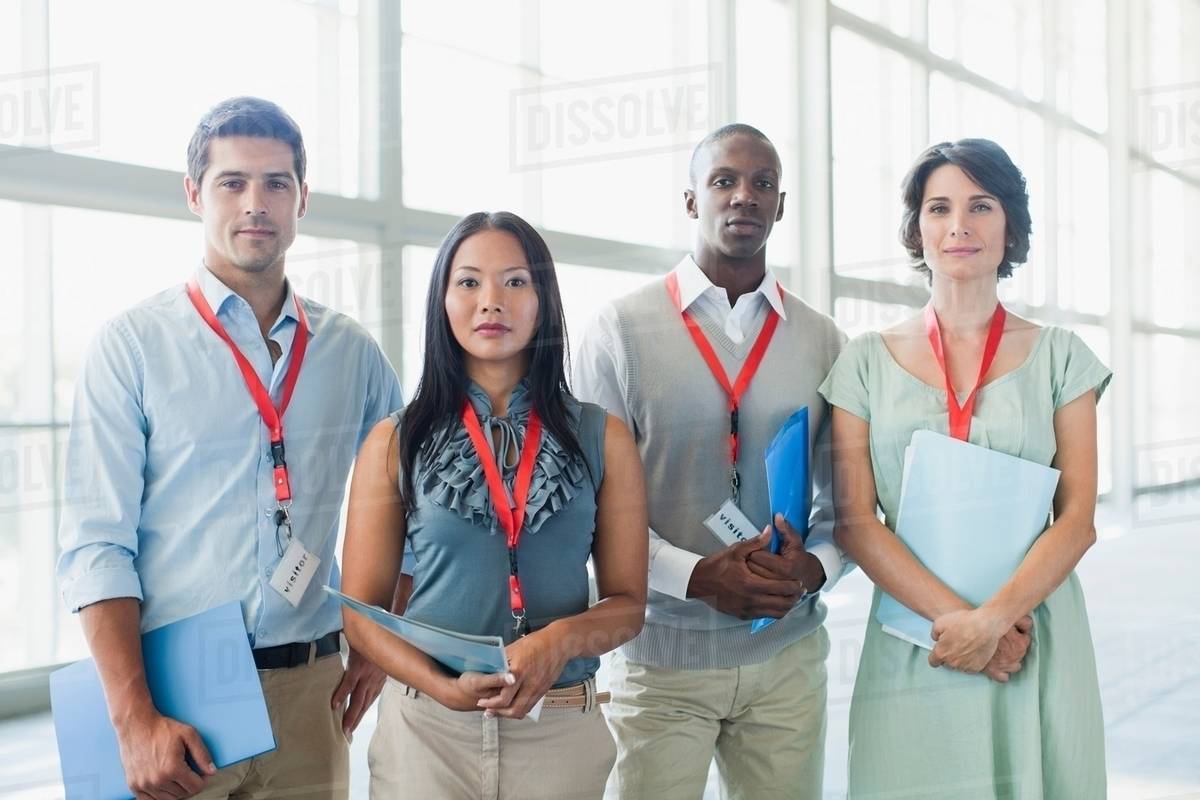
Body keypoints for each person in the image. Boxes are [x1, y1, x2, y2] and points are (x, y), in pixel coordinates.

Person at [56, 97, 403, 800]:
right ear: (194, 194)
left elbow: (410, 505)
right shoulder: (132, 346)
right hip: (173, 696)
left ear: (302, 198)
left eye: (276, 183)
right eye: (232, 182)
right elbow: (97, 545)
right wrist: (133, 721)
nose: (256, 203)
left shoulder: (352, 352)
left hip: (312, 690)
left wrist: (380, 639)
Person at [819, 138, 1111, 798]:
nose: (959, 225)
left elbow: (1077, 520)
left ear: (1010, 226)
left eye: (981, 206)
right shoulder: (863, 361)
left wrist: (995, 622)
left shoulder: (1063, 357)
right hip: (917, 630)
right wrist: (963, 626)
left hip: (1031, 629)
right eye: (939, 208)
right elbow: (856, 521)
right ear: (916, 228)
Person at [574, 124, 852, 800]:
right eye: (724, 180)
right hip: (658, 666)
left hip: (786, 659)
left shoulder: (822, 340)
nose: (744, 195)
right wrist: (696, 577)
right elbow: (588, 506)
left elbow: (846, 505)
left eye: (763, 183)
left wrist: (813, 568)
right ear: (692, 200)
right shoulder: (619, 331)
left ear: (780, 205)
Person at [339, 210, 648, 799]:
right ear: (442, 300)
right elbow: (361, 614)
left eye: (515, 281)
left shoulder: (604, 437)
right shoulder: (393, 441)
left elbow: (628, 605)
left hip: (560, 728)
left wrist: (558, 641)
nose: (491, 302)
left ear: (543, 301)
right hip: (427, 731)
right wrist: (440, 686)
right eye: (469, 282)